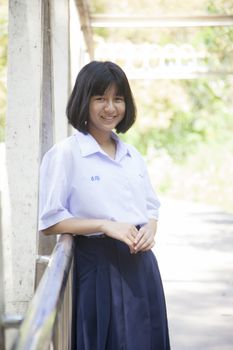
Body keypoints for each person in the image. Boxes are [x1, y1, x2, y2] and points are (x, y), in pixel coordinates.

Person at [39, 61, 170, 350]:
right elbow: (49, 221)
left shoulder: (132, 155)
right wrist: (104, 225)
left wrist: (150, 229)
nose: (110, 107)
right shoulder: (65, 154)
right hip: (97, 267)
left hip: (141, 267)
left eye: (118, 99)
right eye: (100, 98)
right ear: (83, 101)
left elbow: (151, 207)